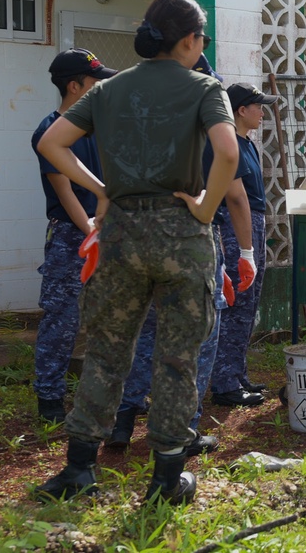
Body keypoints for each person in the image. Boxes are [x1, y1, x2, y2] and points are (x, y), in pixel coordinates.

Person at [34, 0, 239, 506]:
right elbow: (228, 151)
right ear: (189, 40)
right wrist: (206, 207)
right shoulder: (205, 87)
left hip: (121, 232)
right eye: (202, 38)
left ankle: (80, 468)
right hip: (182, 237)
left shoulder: (111, 88)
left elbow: (51, 145)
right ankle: (167, 480)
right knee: (176, 357)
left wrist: (103, 191)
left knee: (106, 351)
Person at [106, 55, 230, 452]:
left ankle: (122, 421)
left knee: (142, 332)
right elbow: (230, 177)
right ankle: (183, 431)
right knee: (194, 338)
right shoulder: (209, 116)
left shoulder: (147, 117)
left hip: (138, 229)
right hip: (190, 233)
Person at [31, 48, 117, 423]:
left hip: (107, 231)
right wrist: (91, 234)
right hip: (72, 235)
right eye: (95, 82)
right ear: (74, 85)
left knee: (111, 318)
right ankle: (50, 396)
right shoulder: (50, 131)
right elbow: (65, 193)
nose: (100, 88)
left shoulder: (99, 127)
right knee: (62, 320)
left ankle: (107, 394)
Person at [208, 83, 279, 407]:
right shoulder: (227, 145)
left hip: (252, 226)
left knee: (248, 306)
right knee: (237, 304)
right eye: (257, 106)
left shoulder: (247, 144)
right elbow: (233, 198)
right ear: (241, 110)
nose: (262, 112)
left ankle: (237, 373)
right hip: (235, 230)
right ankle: (224, 384)